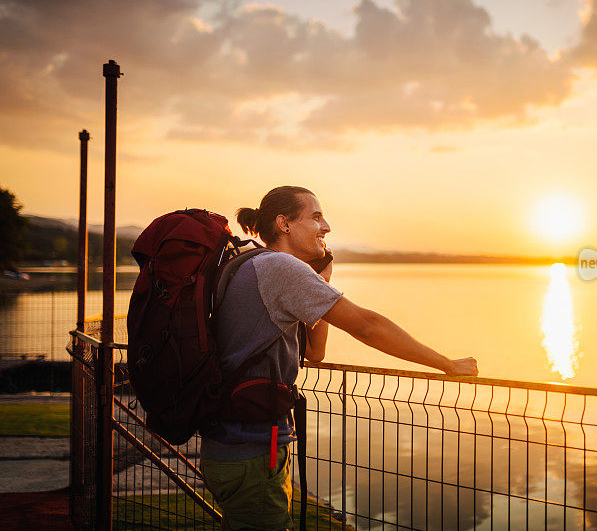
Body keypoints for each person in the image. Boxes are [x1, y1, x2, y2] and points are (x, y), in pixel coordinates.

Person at [200, 185, 478, 530]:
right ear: (284, 224)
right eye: (316, 216)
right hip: (254, 453)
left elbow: (315, 353)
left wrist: (323, 280)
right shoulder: (280, 268)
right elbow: (366, 325)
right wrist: (448, 364)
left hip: (233, 446)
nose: (326, 226)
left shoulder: (254, 264)